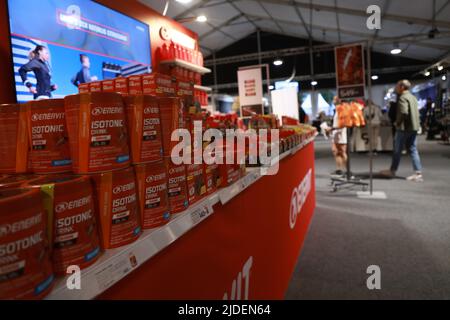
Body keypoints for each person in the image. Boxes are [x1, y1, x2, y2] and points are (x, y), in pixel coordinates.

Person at [382, 80, 423, 182]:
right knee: (413, 149)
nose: (396, 88)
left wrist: (397, 123)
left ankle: (393, 170)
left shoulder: (402, 98)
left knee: (397, 150)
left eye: (397, 86)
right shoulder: (413, 97)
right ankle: (418, 173)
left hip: (404, 128)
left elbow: (404, 112)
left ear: (402, 87)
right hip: (414, 127)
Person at [327, 96, 348, 177]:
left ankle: (347, 170)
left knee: (342, 152)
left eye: (334, 99)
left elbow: (343, 124)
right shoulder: (336, 109)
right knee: (335, 152)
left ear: (339, 100)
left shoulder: (342, 110)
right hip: (335, 134)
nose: (333, 100)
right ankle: (339, 169)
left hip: (341, 134)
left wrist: (331, 128)